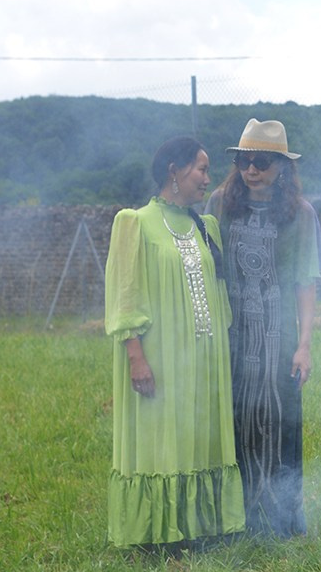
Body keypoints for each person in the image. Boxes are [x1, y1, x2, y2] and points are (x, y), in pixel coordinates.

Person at [104, 136, 245, 549]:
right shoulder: (134, 222)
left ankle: (200, 526)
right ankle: (156, 534)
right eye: (201, 169)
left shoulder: (207, 226)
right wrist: (136, 357)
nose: (208, 178)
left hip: (203, 356)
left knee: (199, 431)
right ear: (174, 171)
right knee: (161, 435)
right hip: (160, 354)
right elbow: (125, 296)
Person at [206, 119, 321, 539]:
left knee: (278, 420)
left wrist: (304, 345)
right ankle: (236, 518)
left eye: (260, 162)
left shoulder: (300, 214)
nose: (250, 171)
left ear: (282, 167)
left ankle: (280, 521)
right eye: (243, 161)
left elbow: (304, 283)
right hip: (231, 333)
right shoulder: (220, 203)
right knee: (234, 418)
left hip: (278, 335)